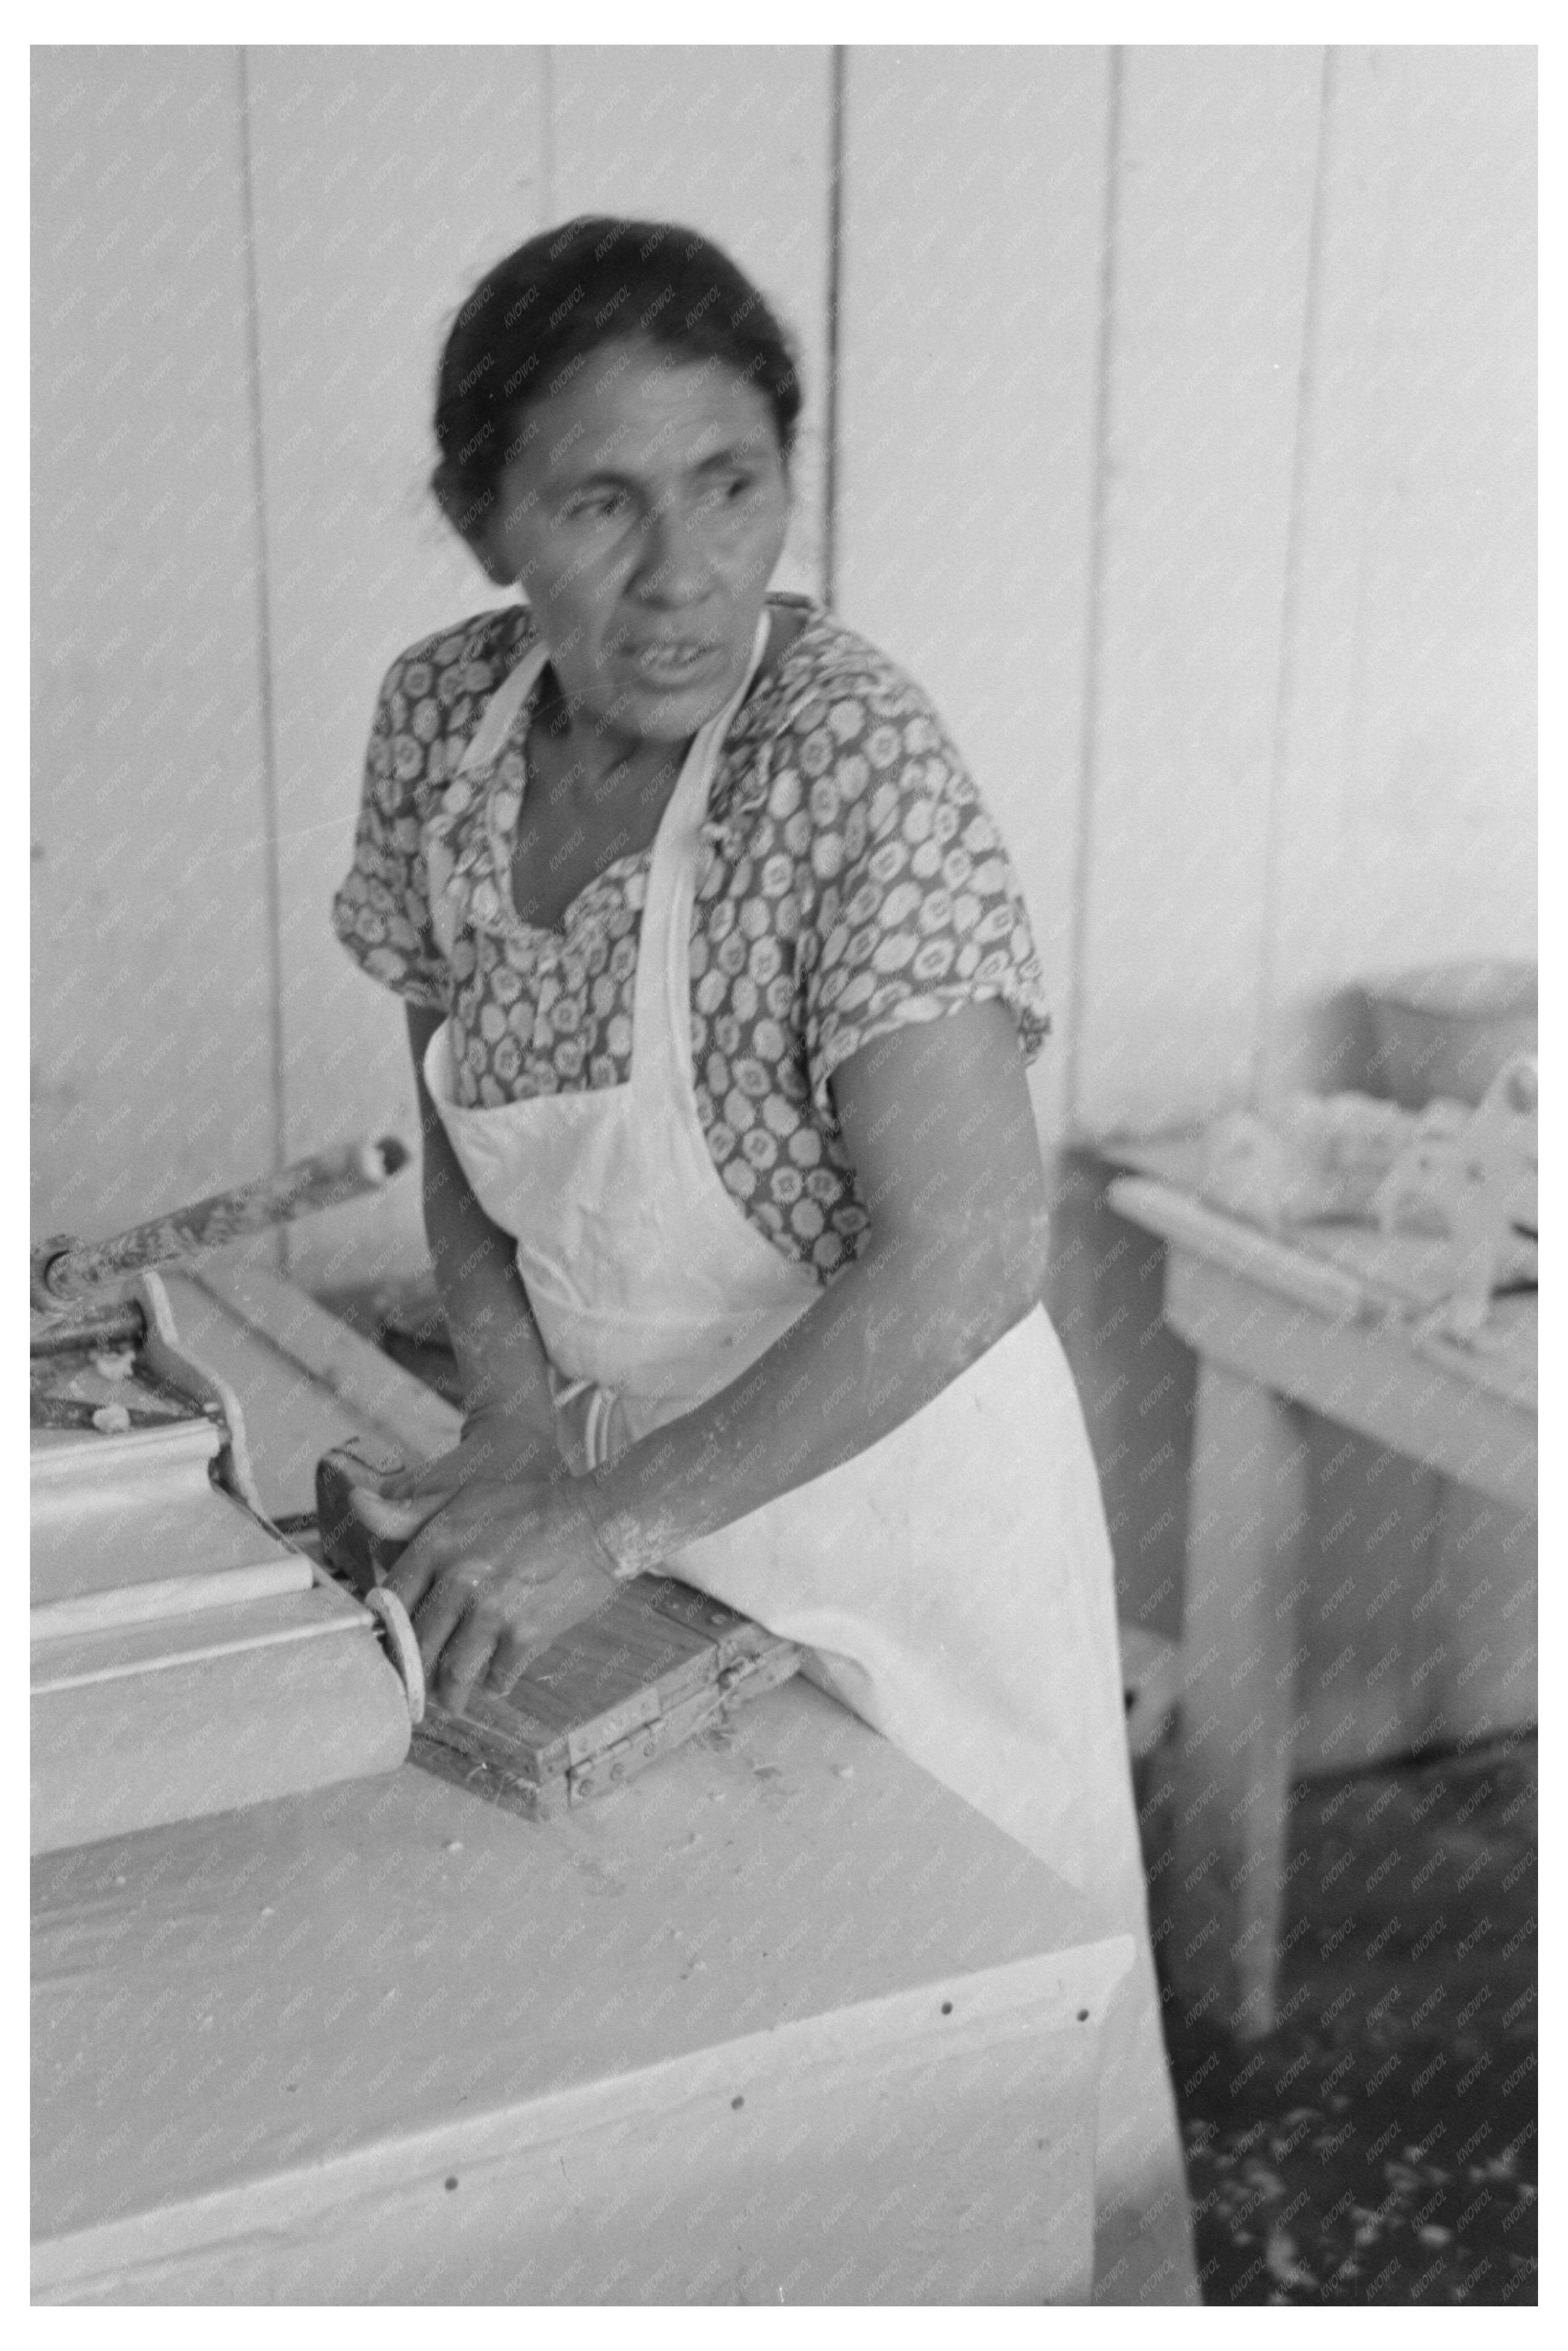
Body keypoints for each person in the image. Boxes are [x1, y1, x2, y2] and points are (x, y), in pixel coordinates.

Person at [333, 216, 1196, 2305]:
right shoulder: (449, 733)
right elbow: (457, 1111)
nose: (686, 569)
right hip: (631, 1514)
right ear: (482, 524)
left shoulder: (847, 764)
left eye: (733, 482)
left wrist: (601, 1520)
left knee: (984, 2097)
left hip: (904, 1518)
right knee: (698, 2096)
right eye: (601, 502)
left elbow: (975, 1251)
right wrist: (523, 1426)